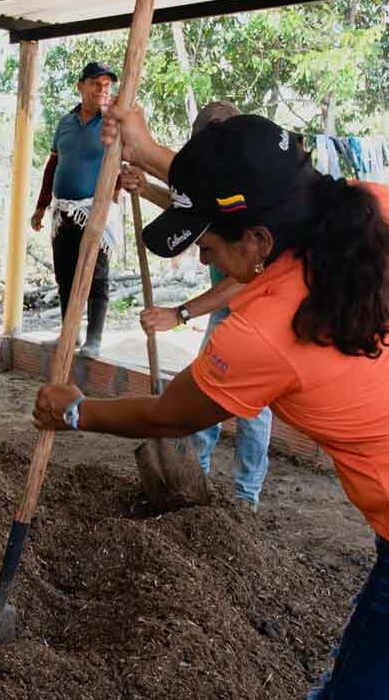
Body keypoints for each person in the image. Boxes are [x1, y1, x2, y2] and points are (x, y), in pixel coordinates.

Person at [35, 111, 389, 697]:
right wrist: (147, 151)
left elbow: (169, 415)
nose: (203, 261)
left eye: (208, 241)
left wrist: (75, 410)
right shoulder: (381, 209)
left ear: (259, 240)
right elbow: (270, 184)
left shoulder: (260, 334)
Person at [122, 101, 272, 511]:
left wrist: (180, 313)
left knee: (252, 404)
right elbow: (191, 213)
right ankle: (196, 472)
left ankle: (245, 497)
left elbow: (243, 284)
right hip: (227, 300)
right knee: (207, 383)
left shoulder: (254, 191)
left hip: (256, 306)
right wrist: (143, 186)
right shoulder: (217, 185)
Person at [31, 61, 122, 358]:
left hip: (96, 211)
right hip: (64, 211)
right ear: (80, 86)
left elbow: (125, 160)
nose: (102, 89)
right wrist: (41, 206)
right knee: (65, 274)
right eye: (96, 83)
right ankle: (69, 332)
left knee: (96, 274)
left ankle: (94, 338)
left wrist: (115, 194)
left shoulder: (112, 122)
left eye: (107, 85)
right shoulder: (65, 123)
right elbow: (53, 165)